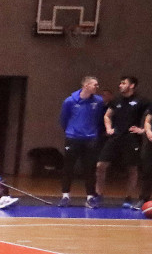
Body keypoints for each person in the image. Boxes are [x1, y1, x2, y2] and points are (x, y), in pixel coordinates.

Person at [97, 75, 145, 207]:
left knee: (132, 168)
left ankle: (128, 198)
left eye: (123, 83)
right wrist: (108, 128)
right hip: (115, 136)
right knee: (100, 165)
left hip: (131, 138)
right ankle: (98, 194)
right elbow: (107, 116)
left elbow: (149, 118)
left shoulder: (141, 101)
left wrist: (142, 130)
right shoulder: (116, 100)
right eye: (120, 83)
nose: (120, 85)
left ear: (132, 85)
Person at [60, 75, 106, 208]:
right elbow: (63, 119)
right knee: (68, 167)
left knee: (90, 168)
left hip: (90, 139)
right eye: (94, 85)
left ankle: (90, 197)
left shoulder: (98, 101)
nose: (97, 87)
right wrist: (71, 131)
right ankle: (65, 196)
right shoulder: (70, 101)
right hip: (73, 138)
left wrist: (94, 132)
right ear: (86, 85)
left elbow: (100, 118)